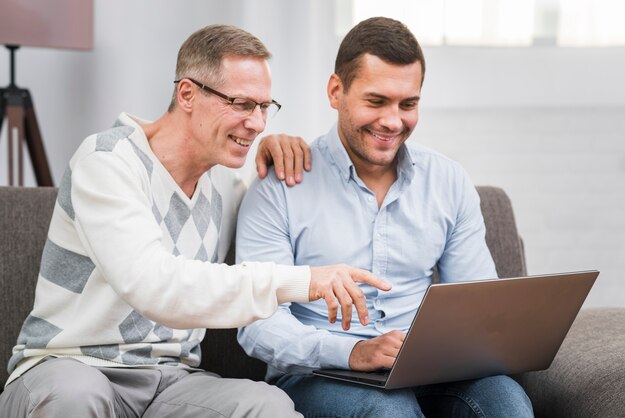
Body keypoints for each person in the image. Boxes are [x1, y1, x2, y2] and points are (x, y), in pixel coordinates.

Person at [0, 24, 391, 418]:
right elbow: (155, 285)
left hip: (169, 380)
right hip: (69, 367)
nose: (257, 124)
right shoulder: (106, 161)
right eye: (241, 104)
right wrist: (304, 280)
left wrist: (280, 152)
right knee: (75, 397)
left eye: (264, 107)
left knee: (267, 406)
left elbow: (279, 226)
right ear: (187, 94)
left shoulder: (226, 185)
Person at [237, 17, 534, 417]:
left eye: (408, 104)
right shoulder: (280, 185)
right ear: (336, 91)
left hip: (428, 370)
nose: (393, 121)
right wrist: (354, 351)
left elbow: (479, 305)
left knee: (506, 401)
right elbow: (259, 322)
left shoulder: (447, 180)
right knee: (385, 411)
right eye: (376, 101)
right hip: (322, 374)